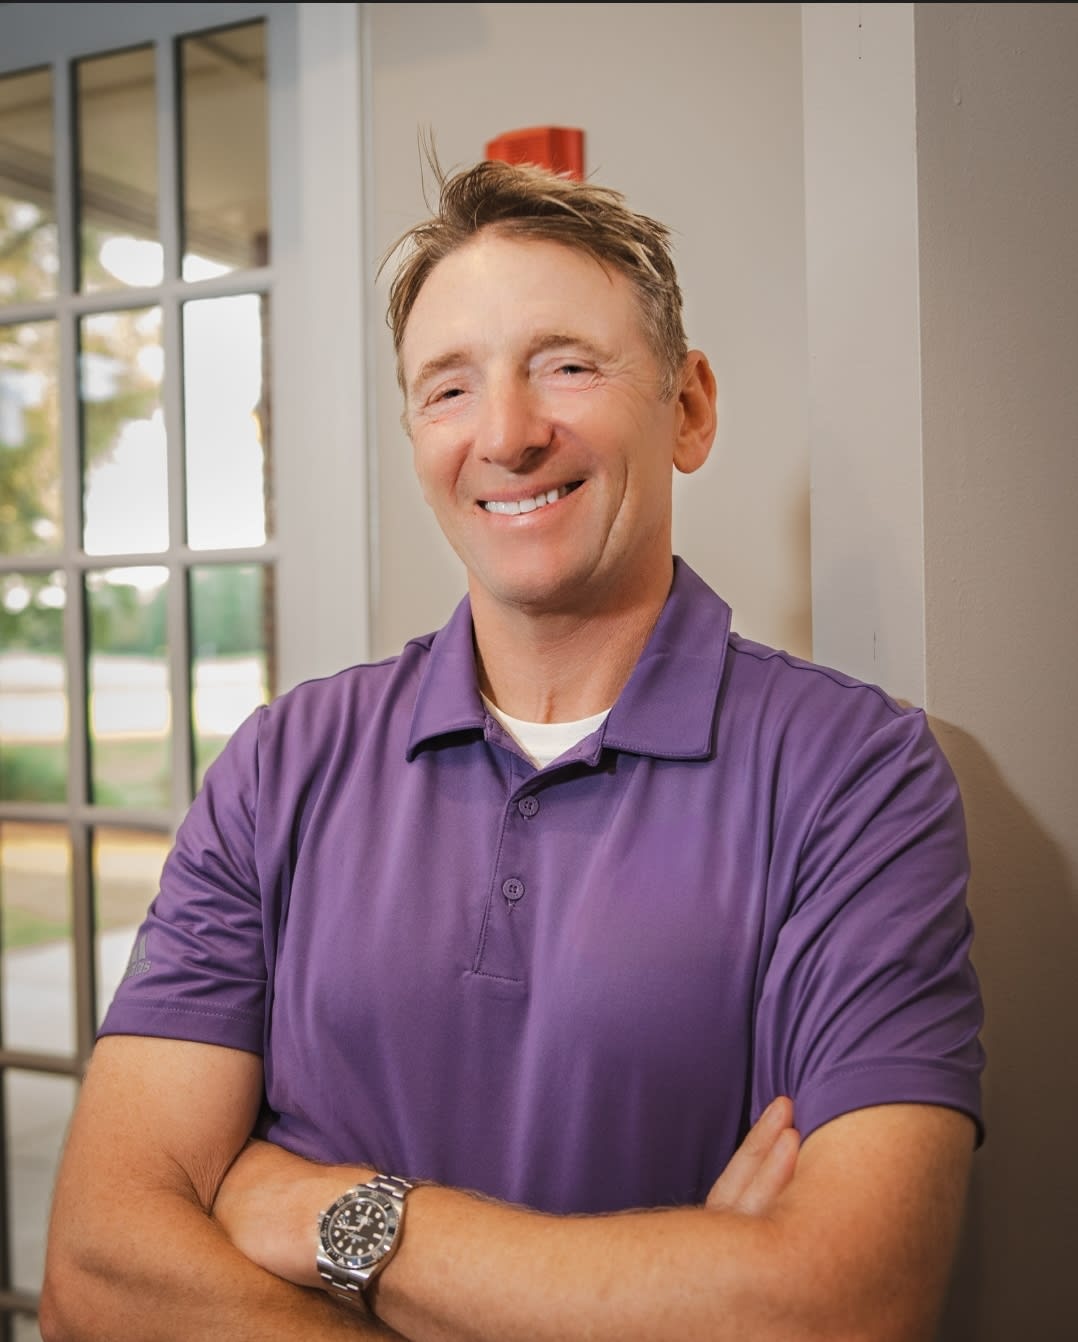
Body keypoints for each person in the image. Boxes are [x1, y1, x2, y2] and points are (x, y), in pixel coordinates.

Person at [40, 155, 985, 1342]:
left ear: (687, 408)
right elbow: (98, 1272)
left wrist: (330, 1210)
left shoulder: (857, 776)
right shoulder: (284, 763)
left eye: (567, 366)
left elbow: (840, 1304)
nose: (507, 434)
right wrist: (673, 1289)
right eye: (448, 388)